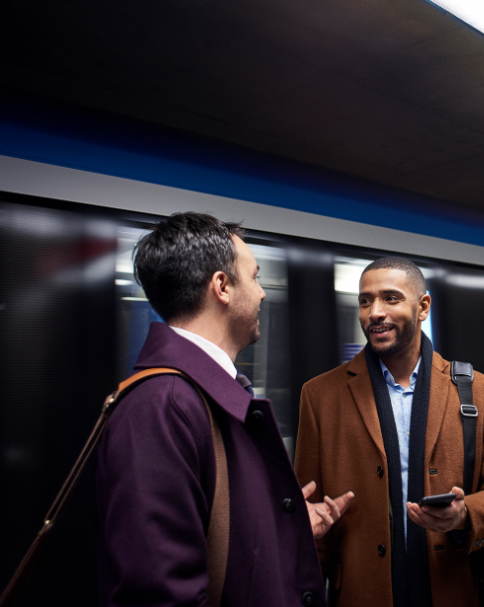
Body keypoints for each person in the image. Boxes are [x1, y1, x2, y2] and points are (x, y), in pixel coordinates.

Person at [96, 212, 353, 607]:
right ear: (222, 287)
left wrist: (278, 521)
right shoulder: (162, 408)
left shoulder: (200, 395)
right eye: (255, 277)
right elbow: (160, 595)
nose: (263, 292)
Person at [294, 257, 484, 607]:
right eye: (365, 301)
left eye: (391, 298)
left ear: (423, 307)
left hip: (454, 593)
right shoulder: (320, 396)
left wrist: (464, 515)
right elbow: (308, 515)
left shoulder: (474, 389)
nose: (374, 312)